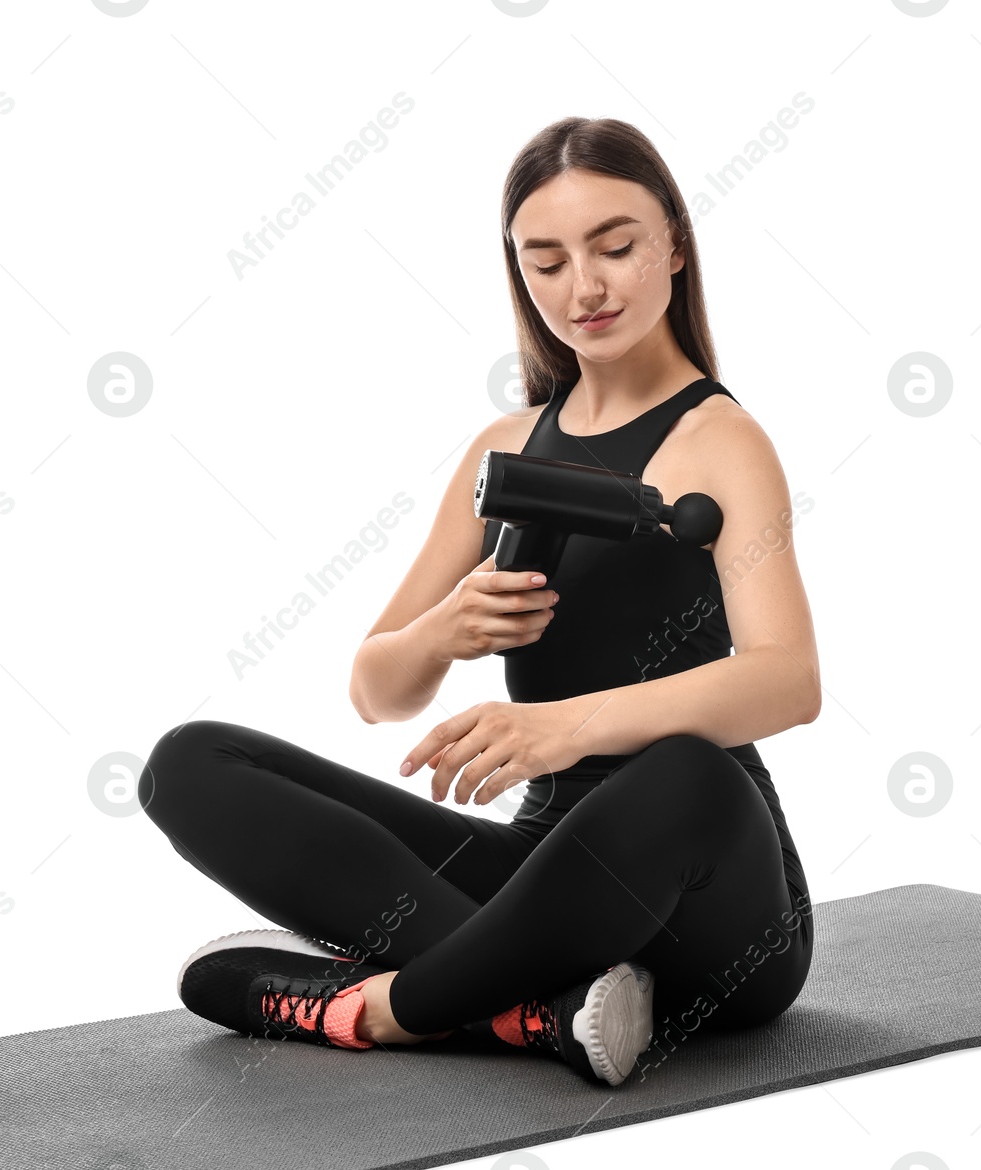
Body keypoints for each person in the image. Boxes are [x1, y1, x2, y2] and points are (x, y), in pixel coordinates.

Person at [138, 116, 820, 1088]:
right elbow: (377, 688)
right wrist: (443, 630)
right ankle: (538, 1008)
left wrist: (560, 730)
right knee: (189, 763)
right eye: (545, 262)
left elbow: (788, 682)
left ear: (673, 242)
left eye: (614, 248)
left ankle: (389, 1011)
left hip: (704, 902)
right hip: (541, 882)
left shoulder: (720, 439)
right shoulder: (503, 447)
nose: (582, 288)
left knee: (684, 773)